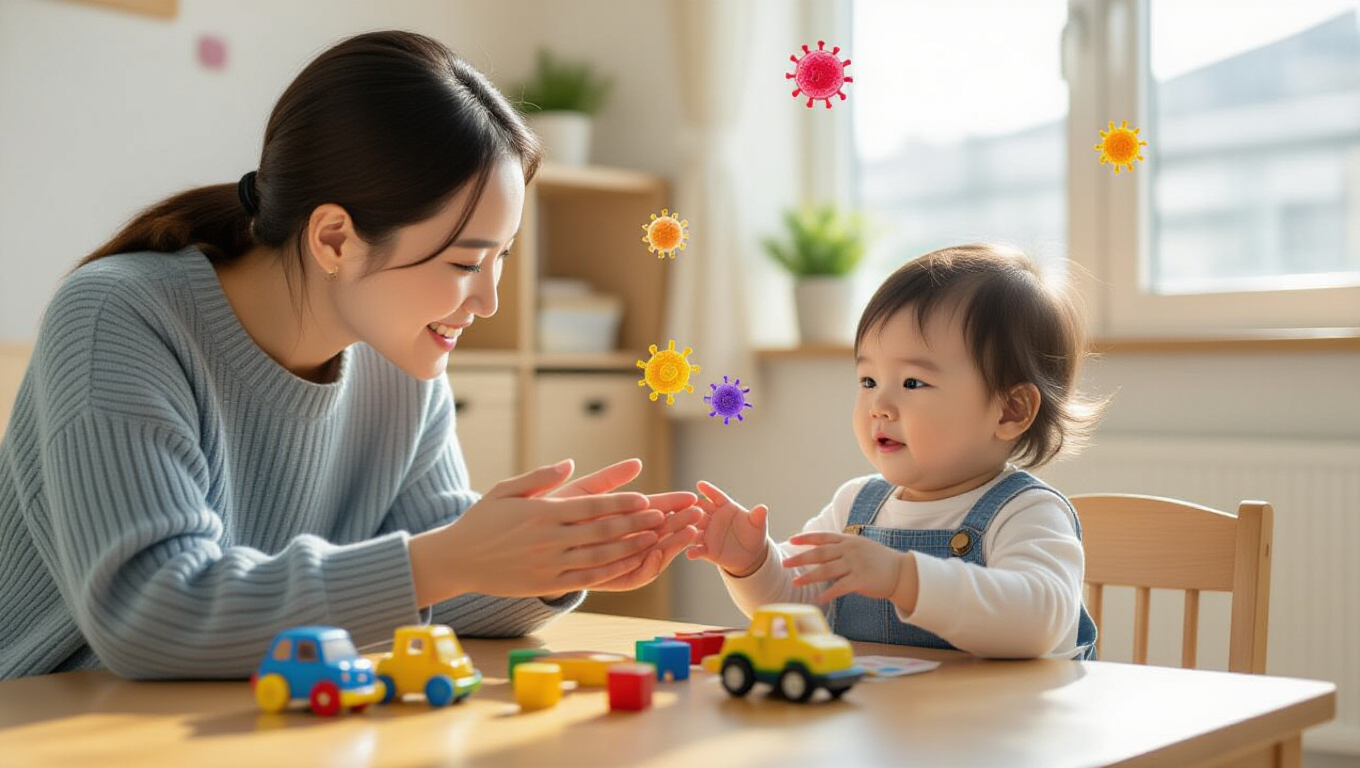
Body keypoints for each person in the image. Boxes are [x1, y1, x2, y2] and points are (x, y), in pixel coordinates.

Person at [0, 31, 699, 680]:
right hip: (52, 719)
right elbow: (150, 613)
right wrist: (446, 560)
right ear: (334, 238)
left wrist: (550, 557)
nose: (486, 302)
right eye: (464, 262)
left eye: (502, 259)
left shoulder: (399, 356)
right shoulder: (119, 318)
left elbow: (421, 585)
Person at [688, 244, 1105, 658]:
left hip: (1002, 722)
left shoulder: (1027, 512)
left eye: (912, 383)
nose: (879, 406)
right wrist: (754, 563)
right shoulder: (855, 507)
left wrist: (904, 579)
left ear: (1010, 410)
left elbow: (1036, 623)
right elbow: (794, 604)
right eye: (868, 380)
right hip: (881, 722)